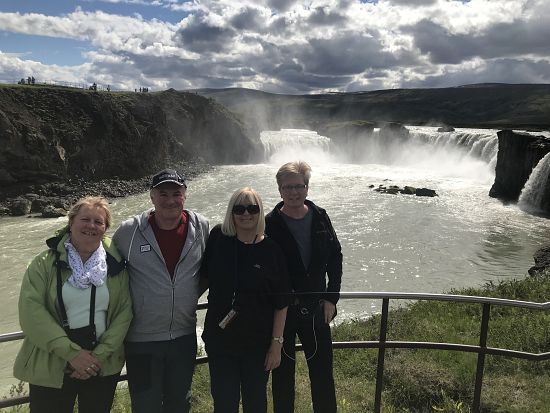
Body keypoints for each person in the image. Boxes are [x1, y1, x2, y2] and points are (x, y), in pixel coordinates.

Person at [13, 196, 133, 413]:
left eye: (99, 222)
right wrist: (72, 355)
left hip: (101, 363)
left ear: (105, 228)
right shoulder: (43, 264)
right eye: (85, 219)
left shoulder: (116, 265)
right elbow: (31, 313)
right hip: (52, 362)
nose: (91, 226)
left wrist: (96, 357)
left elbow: (124, 312)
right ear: (71, 222)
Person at [113, 168, 209, 413]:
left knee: (180, 403)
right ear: (152, 197)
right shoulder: (128, 232)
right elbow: (108, 275)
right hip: (141, 340)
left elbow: (212, 269)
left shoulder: (202, 228)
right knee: (146, 406)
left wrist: (186, 297)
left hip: (183, 337)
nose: (170, 200)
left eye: (176, 193)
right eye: (163, 193)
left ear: (185, 196)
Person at [201, 187, 290, 413]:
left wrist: (276, 345)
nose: (246, 214)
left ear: (260, 212)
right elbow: (201, 279)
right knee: (224, 403)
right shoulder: (218, 238)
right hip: (220, 341)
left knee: (256, 403)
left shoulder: (272, 250)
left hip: (257, 345)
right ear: (231, 212)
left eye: (252, 208)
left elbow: (282, 302)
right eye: (239, 208)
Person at [266, 161, 343, 413]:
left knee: (323, 376)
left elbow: (336, 256)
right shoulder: (269, 223)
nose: (294, 192)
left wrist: (332, 297)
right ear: (279, 190)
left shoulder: (320, 216)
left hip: (316, 309)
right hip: (282, 313)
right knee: (282, 378)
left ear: (307, 188)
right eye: (287, 187)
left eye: (299, 186)